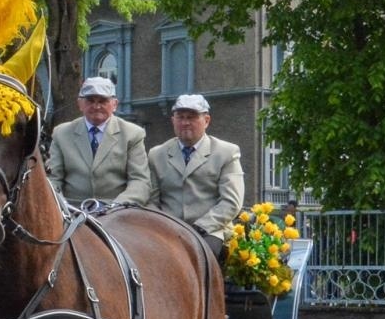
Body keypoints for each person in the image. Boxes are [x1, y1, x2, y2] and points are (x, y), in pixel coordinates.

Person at [146, 93, 244, 260]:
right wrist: (165, 226)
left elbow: (231, 202)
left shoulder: (226, 152)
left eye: (191, 117)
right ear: (173, 121)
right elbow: (150, 200)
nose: (185, 123)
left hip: (210, 230)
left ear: (206, 121)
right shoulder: (157, 154)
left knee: (201, 256)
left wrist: (200, 228)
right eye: (180, 117)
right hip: (167, 229)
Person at [46, 76, 150, 205]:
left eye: (103, 101)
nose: (96, 106)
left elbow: (140, 182)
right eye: (90, 100)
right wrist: (62, 205)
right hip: (72, 212)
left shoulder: (133, 134)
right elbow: (53, 179)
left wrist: (116, 206)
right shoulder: (61, 133)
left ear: (114, 104)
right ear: (80, 104)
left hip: (116, 212)